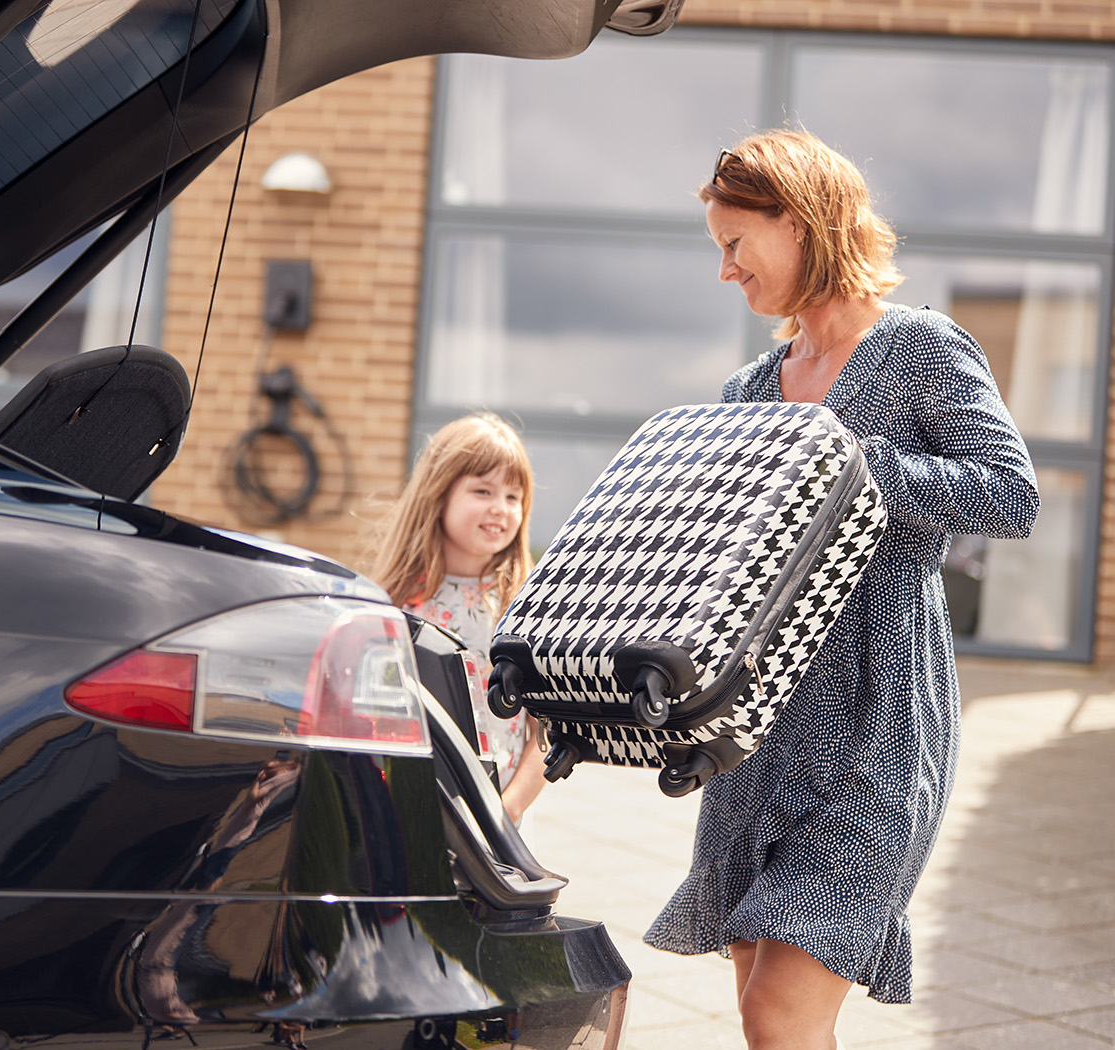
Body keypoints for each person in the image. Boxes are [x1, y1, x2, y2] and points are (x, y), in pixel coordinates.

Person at [643, 129, 1040, 1050]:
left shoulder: (922, 348)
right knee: (760, 1012)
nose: (726, 270)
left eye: (737, 243)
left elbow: (1010, 494)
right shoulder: (749, 387)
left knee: (784, 1012)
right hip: (753, 730)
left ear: (803, 222)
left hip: (876, 715)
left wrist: (848, 463)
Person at [371, 412, 546, 825]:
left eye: (512, 497)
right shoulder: (391, 611)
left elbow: (547, 734)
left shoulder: (526, 612)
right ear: (438, 495)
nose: (500, 509)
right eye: (483, 490)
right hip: (402, 816)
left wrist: (508, 809)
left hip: (497, 829)